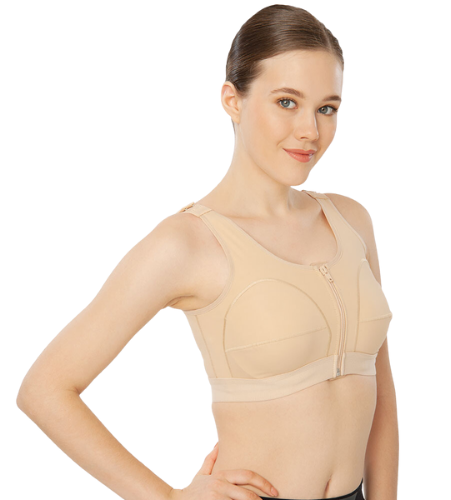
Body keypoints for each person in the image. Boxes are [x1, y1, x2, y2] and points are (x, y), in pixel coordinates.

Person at [16, 4, 399, 500]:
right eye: (287, 102)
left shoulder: (351, 221)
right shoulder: (187, 243)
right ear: (232, 100)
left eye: (327, 108)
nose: (310, 130)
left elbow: (381, 394)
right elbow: (45, 390)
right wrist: (169, 498)